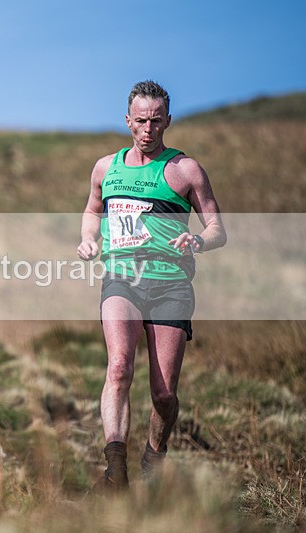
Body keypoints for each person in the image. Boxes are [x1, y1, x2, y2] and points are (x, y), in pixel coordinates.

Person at [76, 80, 226, 490]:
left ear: (168, 121)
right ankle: (115, 471)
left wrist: (198, 240)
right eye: (141, 121)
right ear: (128, 120)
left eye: (156, 121)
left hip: (170, 285)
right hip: (121, 278)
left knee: (163, 394)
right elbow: (92, 210)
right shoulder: (106, 167)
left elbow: (217, 229)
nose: (148, 129)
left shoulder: (186, 170)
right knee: (119, 367)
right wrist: (89, 239)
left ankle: (154, 457)